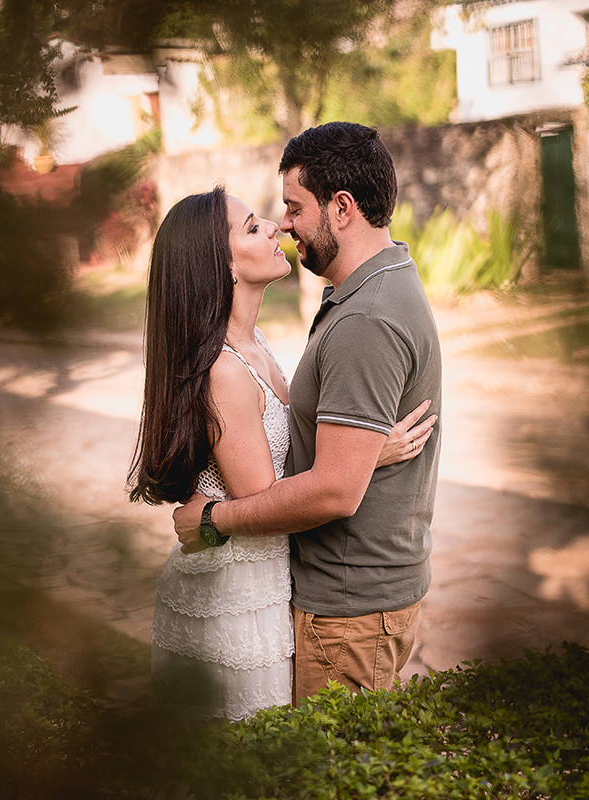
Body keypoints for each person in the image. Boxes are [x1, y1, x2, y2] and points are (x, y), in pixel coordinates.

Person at [128, 187, 434, 720]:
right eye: (252, 227)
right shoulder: (224, 371)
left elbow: (287, 456)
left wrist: (361, 454)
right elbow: (266, 503)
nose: (276, 227)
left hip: (267, 580)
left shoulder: (254, 343)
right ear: (219, 267)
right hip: (237, 593)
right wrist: (359, 463)